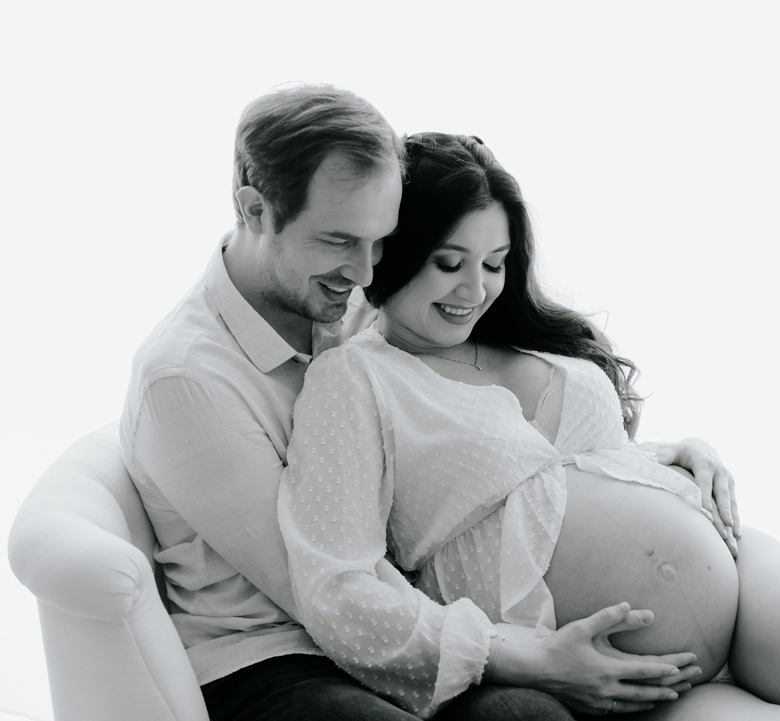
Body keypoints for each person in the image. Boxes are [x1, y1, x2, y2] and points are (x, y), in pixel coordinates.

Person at [279, 132, 780, 721]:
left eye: (495, 263)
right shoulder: (356, 379)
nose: (475, 290)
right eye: (448, 262)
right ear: (396, 250)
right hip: (634, 679)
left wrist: (677, 454)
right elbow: (338, 587)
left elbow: (576, 470)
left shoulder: (521, 341)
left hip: (743, 576)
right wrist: (507, 654)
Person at [120, 84, 726, 721]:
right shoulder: (185, 379)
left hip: (413, 620)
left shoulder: (336, 296)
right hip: (274, 659)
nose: (366, 273)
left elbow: (445, 436)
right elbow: (322, 579)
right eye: (338, 240)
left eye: (380, 241)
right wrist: (529, 657)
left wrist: (650, 466)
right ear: (254, 210)